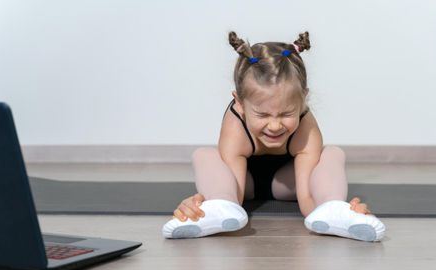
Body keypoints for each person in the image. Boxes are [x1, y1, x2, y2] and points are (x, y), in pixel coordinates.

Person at [162, 31, 386, 241]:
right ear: (239, 103)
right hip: (245, 185)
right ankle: (217, 207)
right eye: (262, 114)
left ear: (302, 100)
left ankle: (334, 210)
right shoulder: (235, 125)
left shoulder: (306, 126)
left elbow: (307, 202)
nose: (275, 125)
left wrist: (330, 206)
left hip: (288, 185)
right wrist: (209, 202)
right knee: (204, 155)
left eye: (287, 113)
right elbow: (236, 197)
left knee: (333, 153)